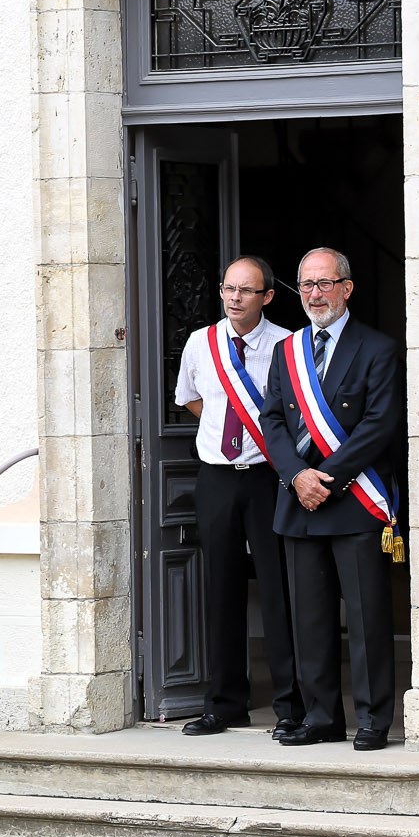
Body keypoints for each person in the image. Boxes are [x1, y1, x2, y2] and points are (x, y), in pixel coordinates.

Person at [259, 247, 405, 752]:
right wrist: (298, 476)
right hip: (300, 502)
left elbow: (380, 424)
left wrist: (328, 477)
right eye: (307, 286)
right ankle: (321, 716)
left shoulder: (378, 348)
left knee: (366, 619)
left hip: (353, 501)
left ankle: (372, 718)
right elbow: (271, 421)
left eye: (324, 284)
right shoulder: (288, 350)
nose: (315, 294)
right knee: (311, 619)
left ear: (347, 287)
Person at [171, 256, 306, 737]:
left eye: (246, 291)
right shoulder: (199, 343)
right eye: (228, 288)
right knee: (221, 590)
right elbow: (188, 397)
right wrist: (224, 428)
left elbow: (299, 412)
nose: (234, 298)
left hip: (269, 478)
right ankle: (225, 703)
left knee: (279, 589)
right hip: (217, 476)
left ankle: (292, 705)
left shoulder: (289, 344)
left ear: (267, 297)